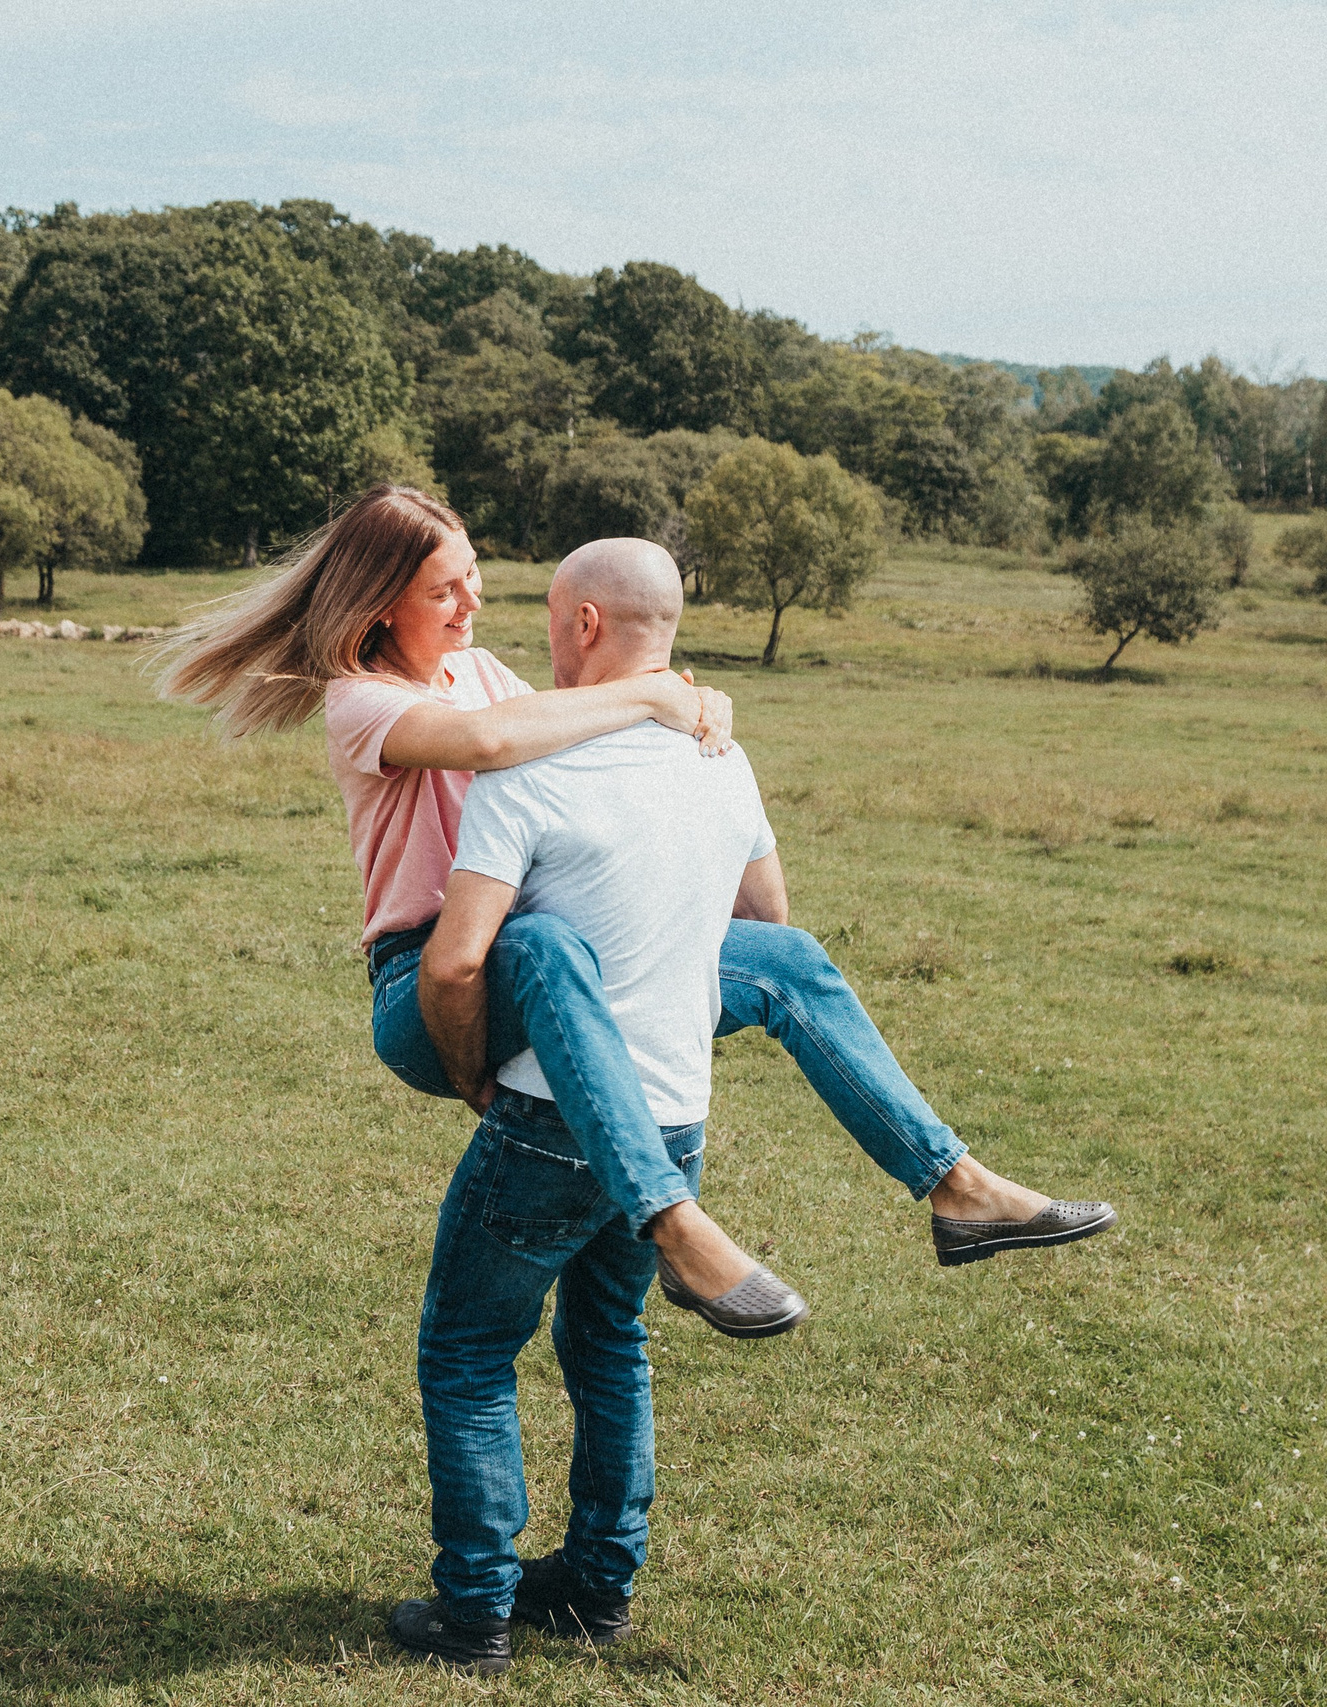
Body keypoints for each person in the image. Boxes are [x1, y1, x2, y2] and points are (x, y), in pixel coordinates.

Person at [391, 540, 1107, 1672]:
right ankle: (594, 1590)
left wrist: (478, 1074)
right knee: (609, 1344)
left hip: (550, 1121)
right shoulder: (720, 758)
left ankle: (474, 1612)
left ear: (582, 625)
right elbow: (764, 926)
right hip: (673, 1114)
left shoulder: (528, 775)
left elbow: (455, 962)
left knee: (470, 1352)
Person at [158, 486, 1111, 1311]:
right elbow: (495, 745)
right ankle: (674, 1221)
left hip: (547, 955)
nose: (472, 599)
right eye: (444, 586)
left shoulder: (482, 670)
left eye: (474, 573)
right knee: (539, 948)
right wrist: (657, 695)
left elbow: (570, 741)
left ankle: (956, 1182)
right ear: (380, 602)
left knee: (788, 958)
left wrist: (704, 719)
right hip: (428, 985)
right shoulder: (359, 699)